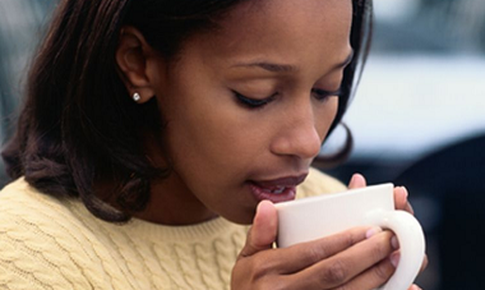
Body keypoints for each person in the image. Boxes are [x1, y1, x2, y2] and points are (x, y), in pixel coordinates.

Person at [0, 0, 424, 289]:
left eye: (325, 90)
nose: (307, 140)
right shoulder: (25, 254)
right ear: (138, 62)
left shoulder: (332, 220)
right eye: (255, 95)